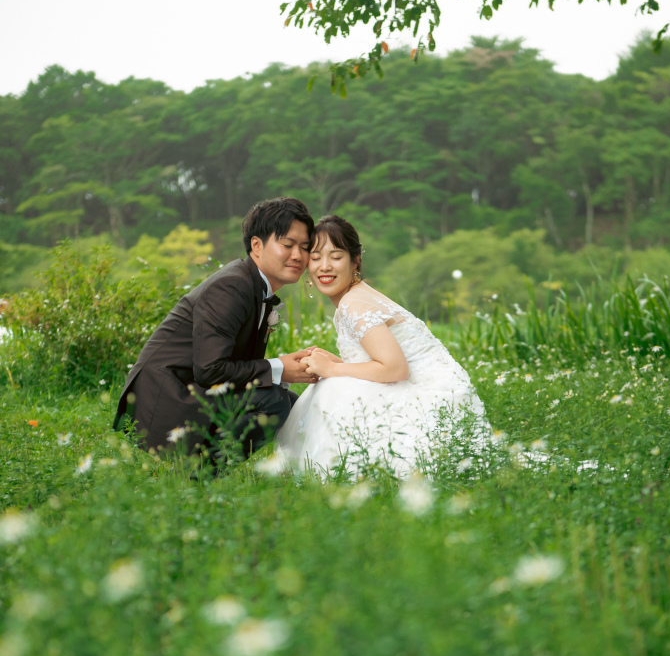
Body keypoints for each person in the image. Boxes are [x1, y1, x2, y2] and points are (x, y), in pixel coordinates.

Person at [277, 214, 488, 476]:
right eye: (316, 257)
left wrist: (331, 370)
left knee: (332, 387)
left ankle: (331, 472)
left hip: (435, 401)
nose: (324, 266)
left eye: (336, 256)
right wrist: (336, 363)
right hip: (446, 397)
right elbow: (378, 363)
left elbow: (395, 370)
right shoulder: (356, 296)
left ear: (355, 260)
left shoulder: (354, 303)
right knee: (334, 379)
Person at [113, 197, 319, 457]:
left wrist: (282, 369)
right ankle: (200, 477)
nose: (298, 255)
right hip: (164, 404)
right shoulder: (232, 287)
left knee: (290, 402)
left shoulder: (254, 286)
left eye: (305, 247)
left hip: (191, 393)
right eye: (288, 244)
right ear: (257, 245)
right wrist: (278, 367)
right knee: (273, 402)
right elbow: (210, 370)